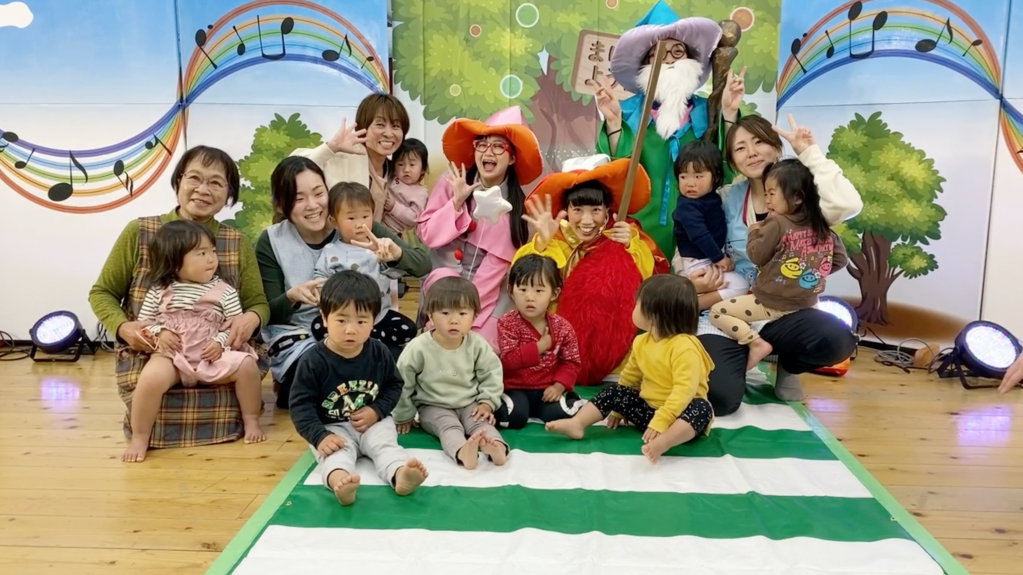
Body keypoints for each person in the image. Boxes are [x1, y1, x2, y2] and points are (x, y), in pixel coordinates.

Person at [89, 146, 270, 448]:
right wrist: (123, 327)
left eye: (216, 182)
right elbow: (102, 293)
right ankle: (142, 436)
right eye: (194, 178)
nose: (203, 189)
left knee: (243, 376)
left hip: (214, 349)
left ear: (229, 193)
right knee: (151, 383)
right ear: (178, 181)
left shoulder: (236, 241)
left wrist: (252, 318)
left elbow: (257, 302)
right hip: (160, 349)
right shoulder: (140, 231)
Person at [693, 114, 862, 408]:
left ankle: (789, 362)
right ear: (733, 161)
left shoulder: (803, 199)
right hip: (736, 310)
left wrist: (809, 153)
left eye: (759, 142)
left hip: (787, 311)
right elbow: (695, 241)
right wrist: (697, 276)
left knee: (837, 339)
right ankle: (746, 351)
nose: (752, 152)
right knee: (718, 397)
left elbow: (848, 205)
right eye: (741, 148)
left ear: (776, 146)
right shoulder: (726, 198)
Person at [256, 156, 430, 409]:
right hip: (305, 334)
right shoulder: (272, 240)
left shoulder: (358, 226)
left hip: (364, 327)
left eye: (318, 193)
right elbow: (268, 312)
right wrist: (291, 297)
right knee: (318, 368)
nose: (313, 205)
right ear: (283, 204)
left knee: (395, 357)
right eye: (299, 198)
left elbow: (423, 264)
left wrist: (397, 255)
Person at [595, 4, 746, 261]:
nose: (669, 61)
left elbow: (728, 165)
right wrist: (613, 123)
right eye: (658, 54)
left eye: (678, 52)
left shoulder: (707, 111)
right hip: (640, 225)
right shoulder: (627, 112)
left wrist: (729, 113)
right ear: (644, 64)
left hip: (701, 226)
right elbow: (614, 172)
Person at [122, 221, 265, 462]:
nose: (211, 259)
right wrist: (160, 333)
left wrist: (220, 343)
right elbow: (144, 323)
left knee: (247, 365)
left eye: (213, 251)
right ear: (175, 260)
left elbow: (232, 325)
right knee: (150, 379)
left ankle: (251, 420)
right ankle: (140, 436)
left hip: (212, 357)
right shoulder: (159, 291)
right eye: (201, 253)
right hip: (172, 357)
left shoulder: (225, 291)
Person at [516, 155, 660, 385]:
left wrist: (630, 246)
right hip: (556, 352)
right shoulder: (554, 239)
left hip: (614, 358)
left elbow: (647, 278)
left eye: (595, 210)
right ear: (566, 209)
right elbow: (521, 281)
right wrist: (542, 244)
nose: (586, 220)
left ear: (607, 210)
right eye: (577, 209)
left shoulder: (622, 236)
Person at [288, 271, 428, 506]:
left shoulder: (379, 352)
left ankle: (400, 475)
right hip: (332, 428)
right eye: (342, 320)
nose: (351, 330)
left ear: (374, 321)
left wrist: (376, 410)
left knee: (385, 446)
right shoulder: (313, 361)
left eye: (361, 321)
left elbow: (394, 386)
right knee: (335, 456)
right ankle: (341, 483)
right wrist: (320, 436)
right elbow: (300, 406)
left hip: (372, 422)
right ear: (324, 318)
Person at [546, 275, 714, 465]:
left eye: (638, 304)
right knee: (615, 390)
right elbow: (629, 378)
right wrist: (618, 409)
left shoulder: (685, 347)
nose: (633, 308)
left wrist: (663, 420)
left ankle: (663, 443)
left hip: (679, 418)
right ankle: (577, 423)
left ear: (654, 315)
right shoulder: (642, 341)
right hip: (649, 413)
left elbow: (684, 390)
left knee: (702, 408)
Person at [416, 106, 544, 350]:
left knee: (481, 346)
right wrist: (455, 203)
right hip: (441, 281)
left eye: (498, 146)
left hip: (487, 297)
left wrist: (467, 313)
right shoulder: (452, 181)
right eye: (482, 145)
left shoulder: (516, 207)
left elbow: (492, 274)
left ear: (512, 158)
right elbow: (428, 236)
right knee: (439, 337)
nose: (488, 151)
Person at [710, 159, 849, 370]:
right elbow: (839, 259)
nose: (767, 201)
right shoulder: (821, 226)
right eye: (766, 194)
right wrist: (809, 274)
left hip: (770, 304)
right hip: (808, 305)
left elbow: (756, 256)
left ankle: (755, 343)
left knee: (717, 312)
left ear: (797, 197)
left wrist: (753, 233)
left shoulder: (776, 223)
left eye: (772, 194)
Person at [394, 277, 507, 470]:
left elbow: (492, 374)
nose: (454, 320)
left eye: (463, 313)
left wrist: (487, 402)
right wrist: (403, 414)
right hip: (432, 406)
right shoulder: (418, 348)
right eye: (445, 313)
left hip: (470, 403)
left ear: (474, 316)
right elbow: (403, 382)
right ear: (430, 315)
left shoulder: (477, 344)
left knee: (482, 424)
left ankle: (497, 448)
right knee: (449, 427)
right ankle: (463, 451)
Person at [311, 182, 418, 359]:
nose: (360, 224)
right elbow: (320, 280)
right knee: (317, 327)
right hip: (347, 320)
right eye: (351, 218)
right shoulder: (330, 252)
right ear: (333, 221)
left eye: (365, 216)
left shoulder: (379, 246)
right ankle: (370, 343)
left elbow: (396, 275)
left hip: (378, 316)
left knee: (409, 329)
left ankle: (368, 339)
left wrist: (389, 260)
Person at [291, 93, 409, 223]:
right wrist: (331, 147)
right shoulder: (344, 155)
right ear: (363, 126)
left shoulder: (397, 171)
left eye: (396, 126)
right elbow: (292, 168)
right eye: (380, 124)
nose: (389, 133)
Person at [495, 255, 583, 429]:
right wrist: (540, 346)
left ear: (554, 293)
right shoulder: (507, 323)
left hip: (546, 388)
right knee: (515, 417)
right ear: (511, 291)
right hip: (515, 387)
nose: (530, 297)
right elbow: (508, 360)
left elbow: (571, 362)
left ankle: (569, 398)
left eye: (539, 291)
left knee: (557, 414)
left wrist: (558, 386)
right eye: (522, 289)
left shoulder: (562, 327)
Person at [672, 140, 748, 299]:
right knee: (740, 285)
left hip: (709, 257)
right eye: (683, 176)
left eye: (698, 176)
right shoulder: (687, 206)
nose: (690, 183)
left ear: (716, 176)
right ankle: (696, 305)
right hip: (699, 261)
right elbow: (699, 234)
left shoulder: (712, 197)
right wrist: (719, 258)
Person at [382, 137, 430, 236]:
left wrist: (394, 207)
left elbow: (415, 217)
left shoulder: (420, 193)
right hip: (376, 220)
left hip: (392, 232)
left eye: (412, 165)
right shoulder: (393, 176)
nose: (406, 169)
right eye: (400, 164)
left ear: (422, 169)